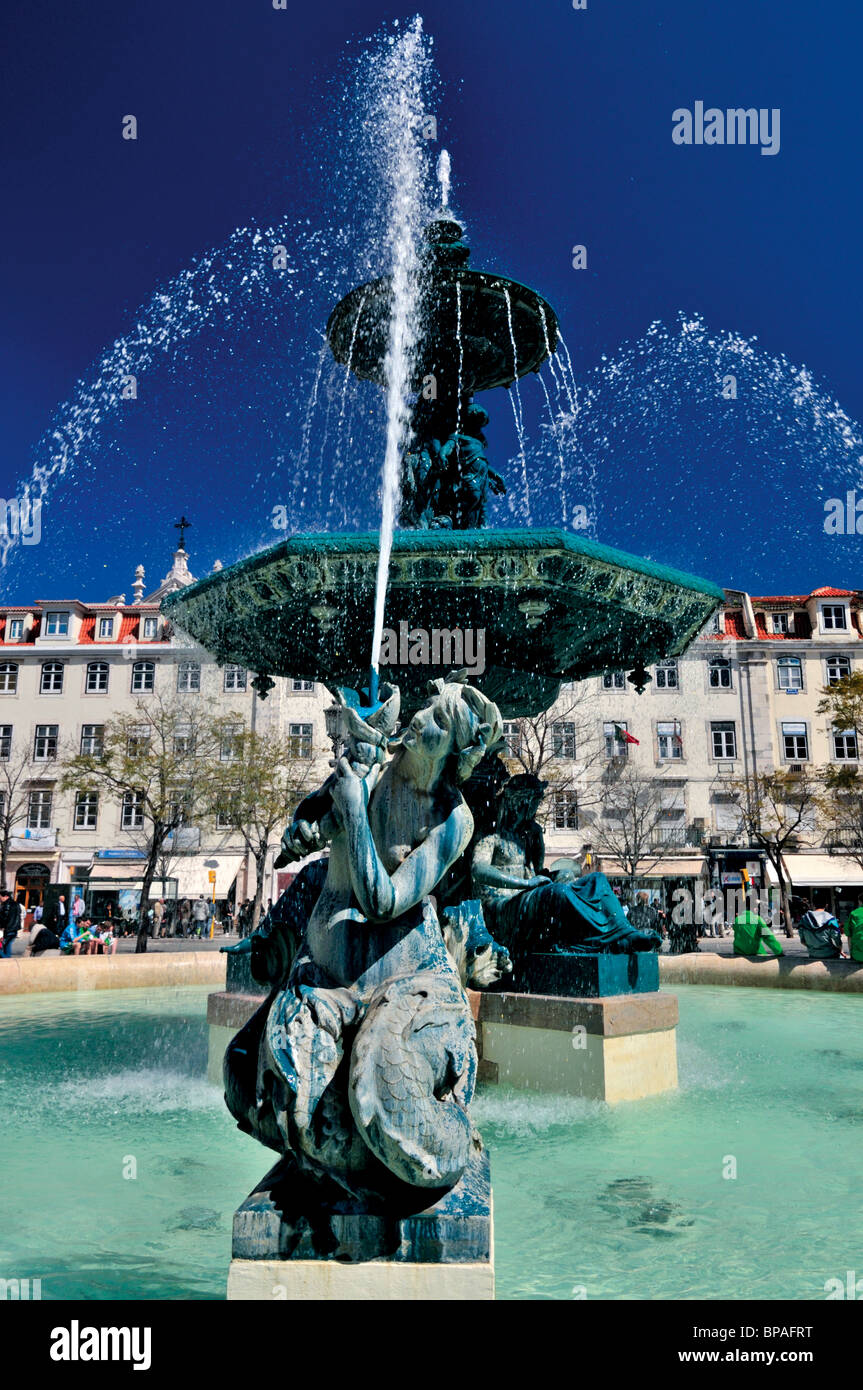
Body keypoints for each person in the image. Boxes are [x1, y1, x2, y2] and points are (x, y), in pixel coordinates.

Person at [798, 895, 843, 960]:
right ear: (826, 905)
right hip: (830, 954)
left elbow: (802, 941)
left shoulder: (804, 919)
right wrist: (841, 950)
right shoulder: (831, 919)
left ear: (813, 904)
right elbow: (837, 940)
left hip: (813, 954)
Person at [0, 887, 21, 958]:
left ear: (5, 896)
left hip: (8, 929)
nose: (0, 899)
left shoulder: (6, 905)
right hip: (14, 929)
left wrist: (2, 927)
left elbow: (4, 918)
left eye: (0, 897)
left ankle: (7, 960)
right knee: (7, 946)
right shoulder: (16, 904)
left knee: (5, 947)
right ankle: (7, 960)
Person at [844, 893, 863, 964]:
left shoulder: (854, 913)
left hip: (858, 955)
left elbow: (848, 933)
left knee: (850, 935)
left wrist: (851, 953)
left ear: (860, 901)